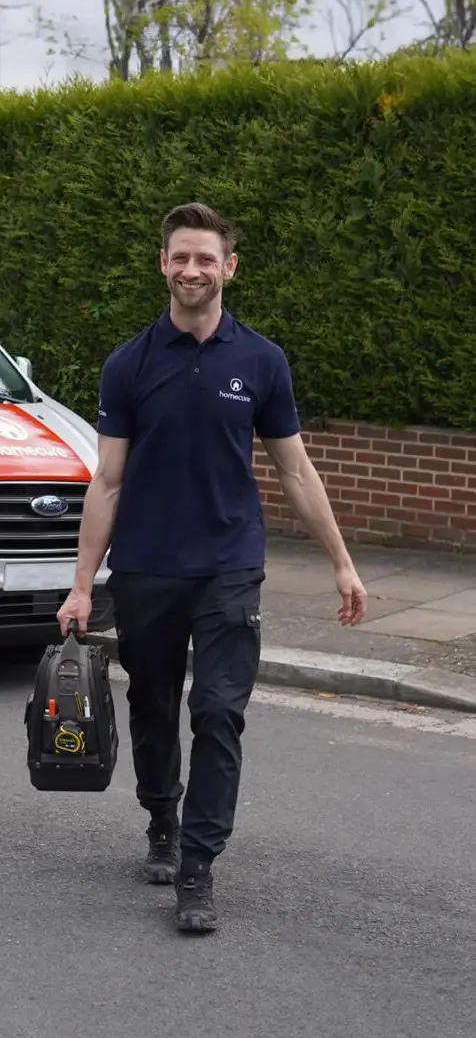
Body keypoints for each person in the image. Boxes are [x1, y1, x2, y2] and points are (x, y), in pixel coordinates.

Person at [56, 202, 368, 934]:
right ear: (162, 265)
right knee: (154, 706)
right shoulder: (128, 364)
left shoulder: (260, 361)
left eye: (206, 258)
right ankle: (161, 817)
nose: (191, 270)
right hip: (147, 569)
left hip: (230, 566)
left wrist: (343, 564)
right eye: (179, 257)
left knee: (219, 712)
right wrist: (80, 585)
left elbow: (295, 471)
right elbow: (107, 482)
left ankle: (197, 866)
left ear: (229, 267)